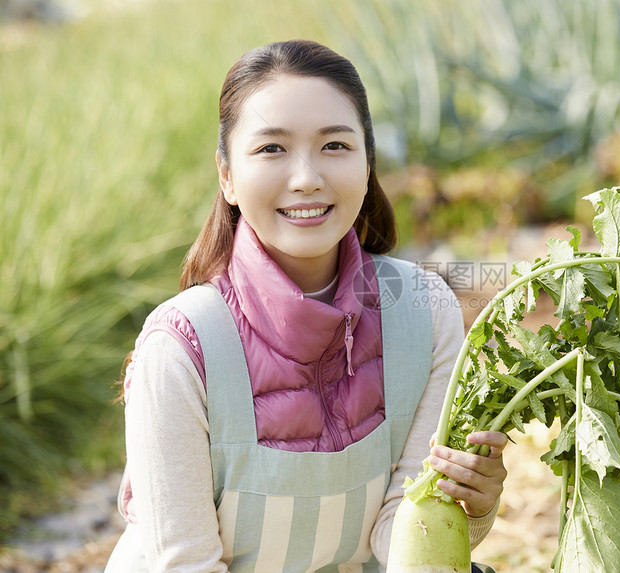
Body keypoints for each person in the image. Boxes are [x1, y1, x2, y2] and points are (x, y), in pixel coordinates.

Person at [105, 40, 508, 572]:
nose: (306, 178)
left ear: (368, 164)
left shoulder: (424, 311)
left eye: (335, 146)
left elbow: (402, 540)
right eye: (272, 149)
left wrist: (470, 505)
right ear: (226, 175)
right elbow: (185, 564)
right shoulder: (181, 348)